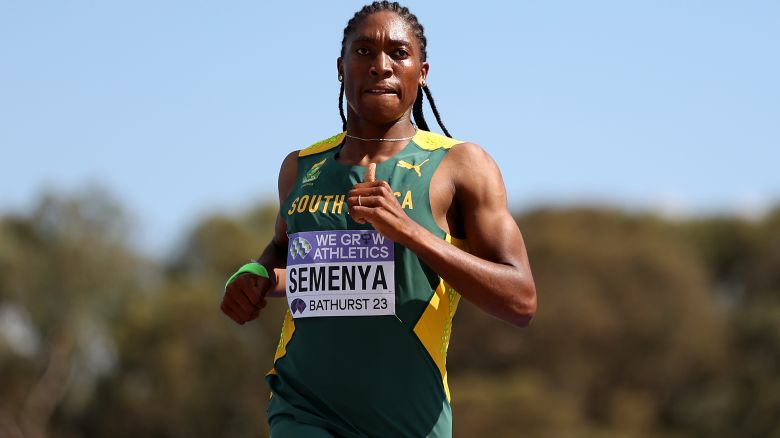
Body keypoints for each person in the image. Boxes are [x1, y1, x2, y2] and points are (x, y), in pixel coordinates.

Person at [221, 2, 537, 436]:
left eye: (399, 54)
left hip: (410, 421)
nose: (381, 66)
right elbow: (286, 253)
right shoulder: (301, 167)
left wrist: (407, 230)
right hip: (304, 408)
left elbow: (520, 300)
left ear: (422, 71)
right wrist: (255, 274)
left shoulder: (461, 165)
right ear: (341, 66)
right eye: (364, 52)